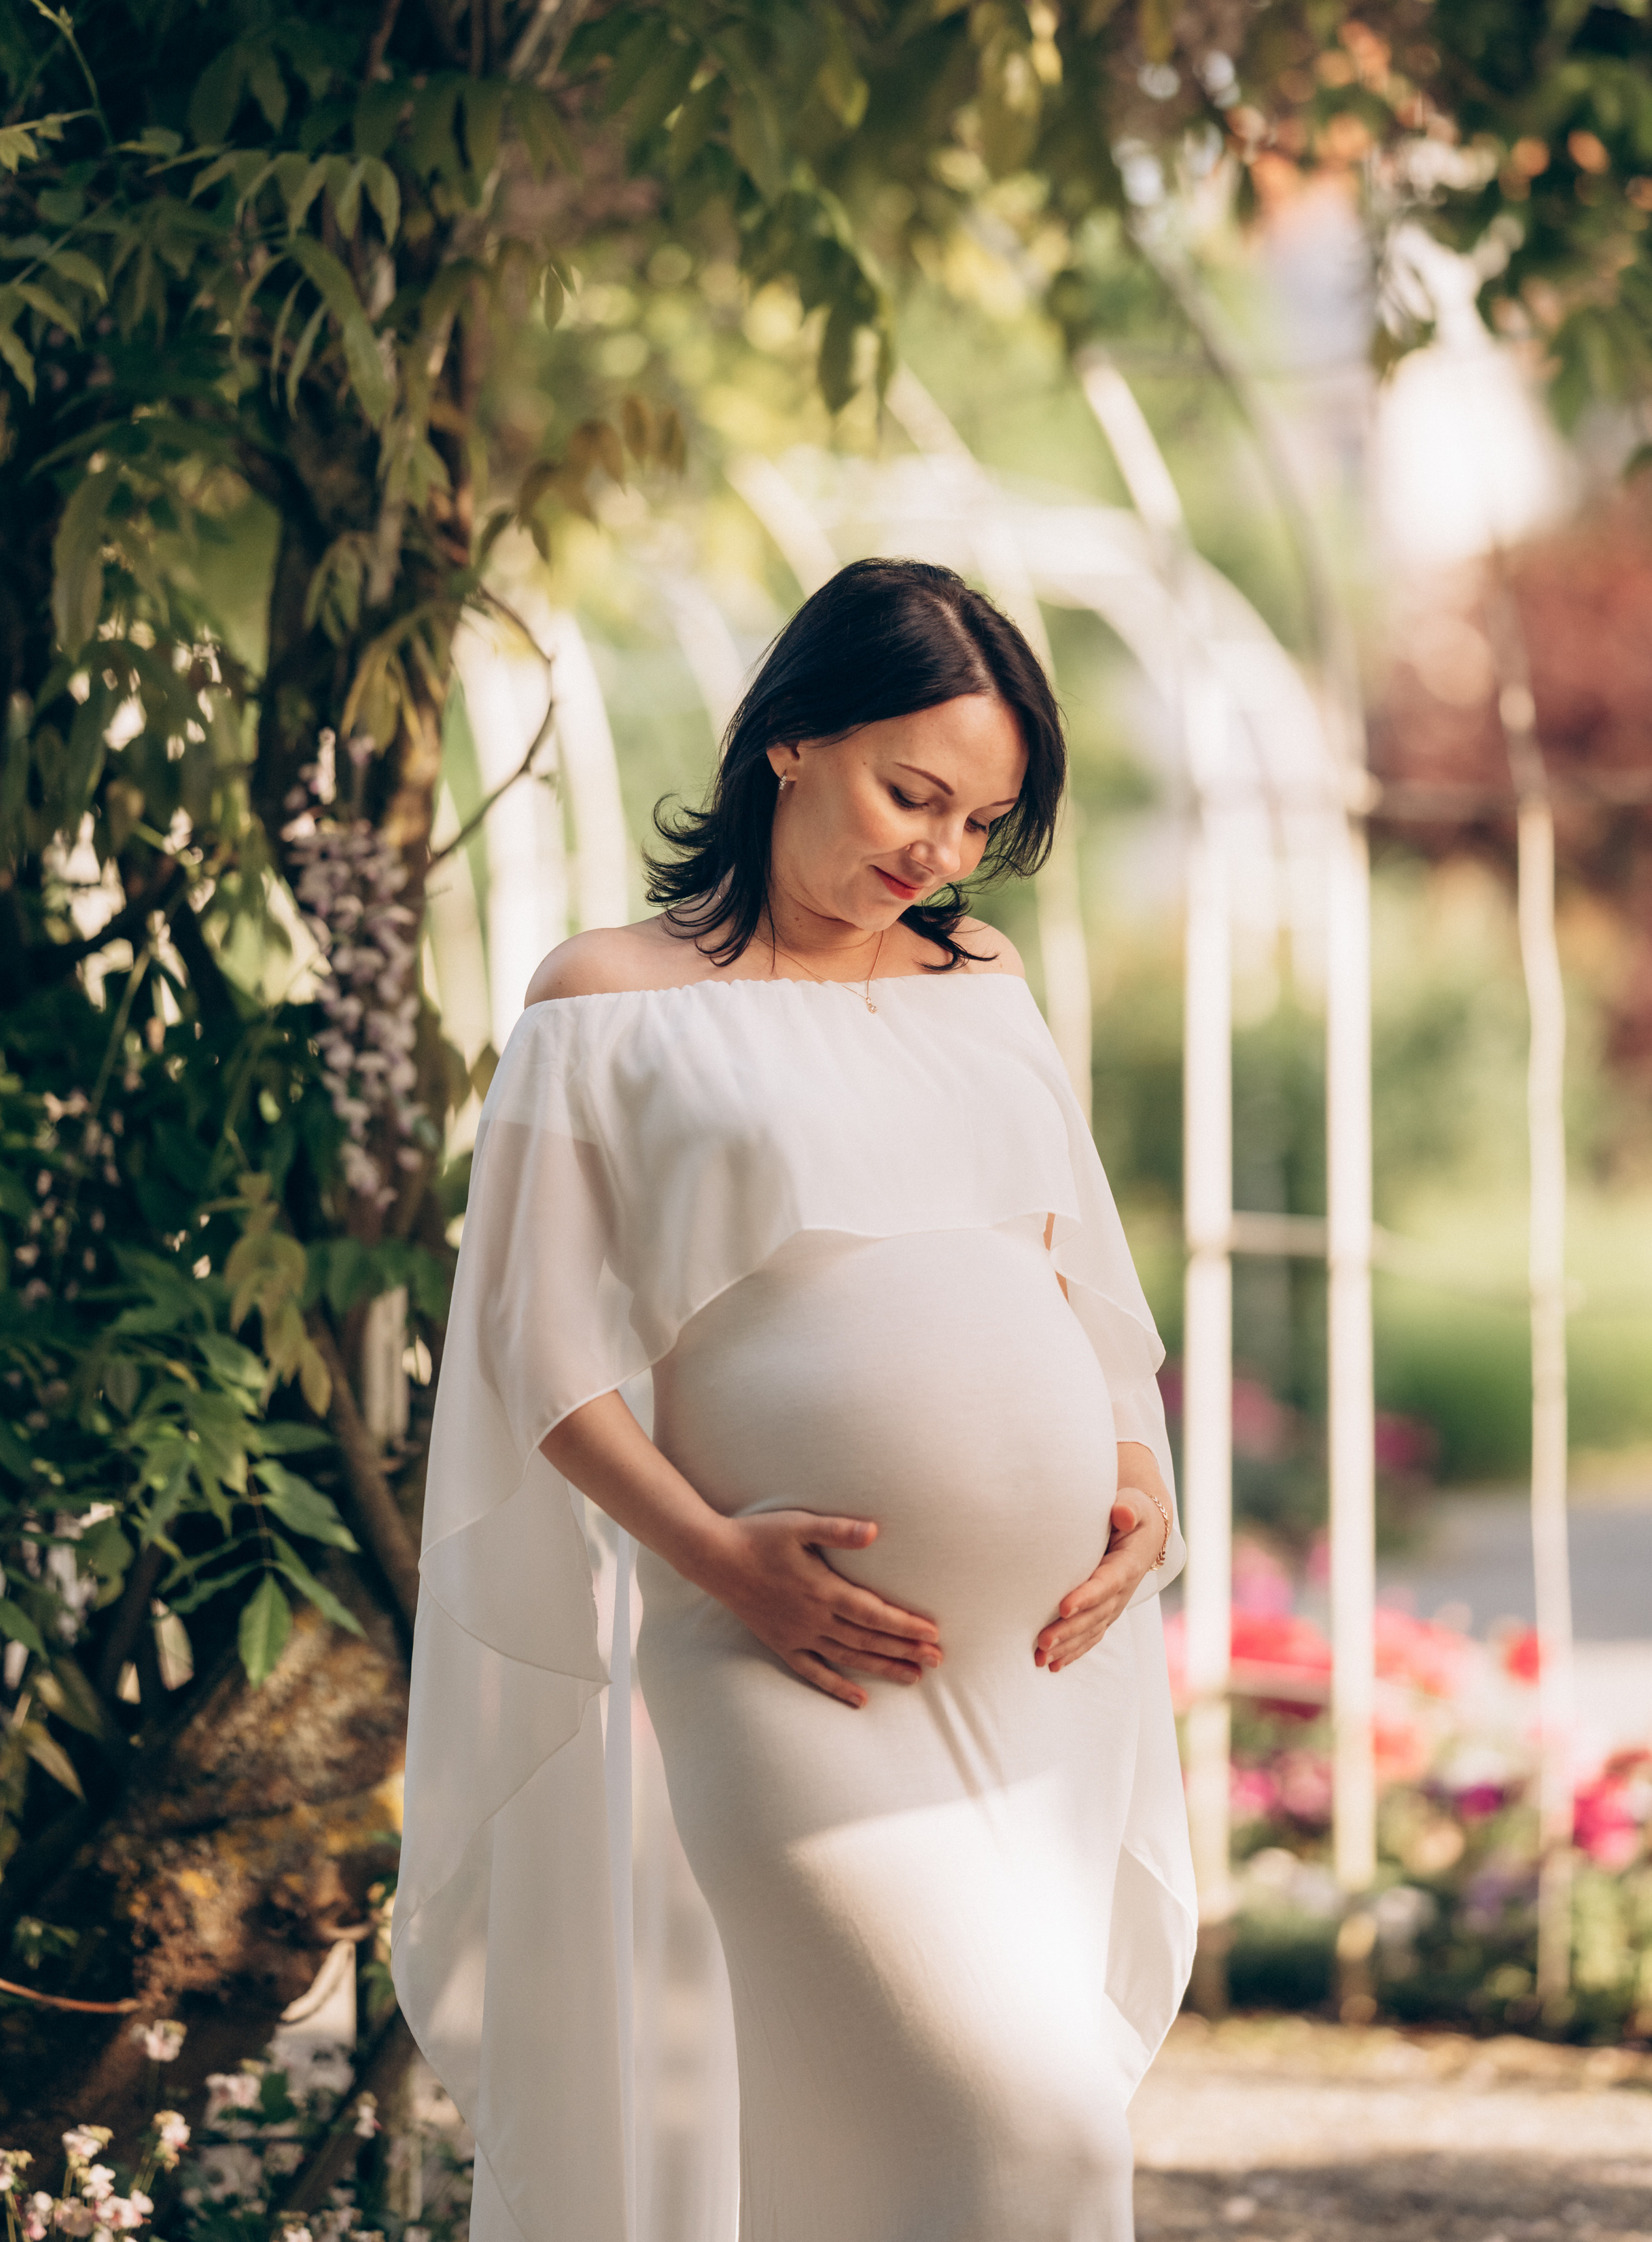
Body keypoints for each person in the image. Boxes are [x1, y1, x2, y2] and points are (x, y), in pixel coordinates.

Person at [393, 558, 1195, 2242]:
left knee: (898, 2163)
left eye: (980, 824)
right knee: (1038, 2132)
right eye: (915, 793)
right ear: (791, 743)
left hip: (1036, 1668)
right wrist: (718, 1561)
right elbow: (537, 1354)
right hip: (781, 1658)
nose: (939, 852)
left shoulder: (976, 987)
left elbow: (1068, 1288)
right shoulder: (607, 1003)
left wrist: (1135, 1472)